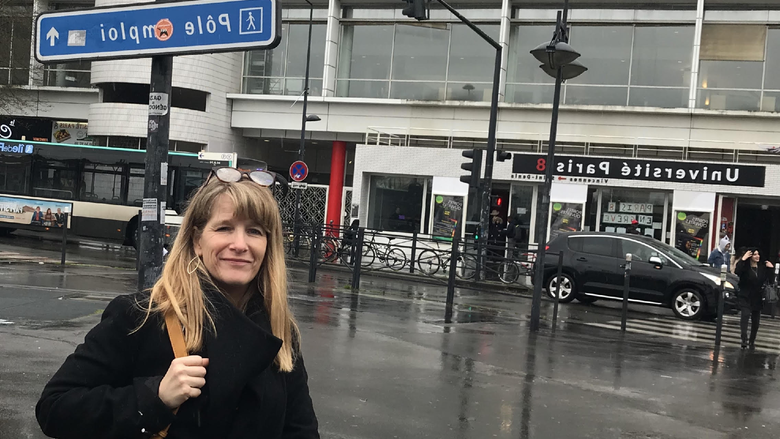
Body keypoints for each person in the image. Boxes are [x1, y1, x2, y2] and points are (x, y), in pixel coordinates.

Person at [36, 167, 319, 438]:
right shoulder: (142, 317)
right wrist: (154, 397)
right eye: (224, 228)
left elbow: (300, 431)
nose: (240, 244)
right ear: (197, 240)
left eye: (255, 231)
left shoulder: (281, 332)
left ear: (269, 244)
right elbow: (55, 408)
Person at [734, 248, 774, 349]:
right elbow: (737, 271)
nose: (757, 256)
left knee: (756, 320)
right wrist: (743, 259)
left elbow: (770, 280)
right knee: (745, 315)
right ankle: (744, 339)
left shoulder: (762, 268)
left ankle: (752, 340)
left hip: (757, 296)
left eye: (758, 254)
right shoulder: (745, 267)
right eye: (755, 254)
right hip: (745, 295)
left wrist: (771, 269)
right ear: (750, 256)